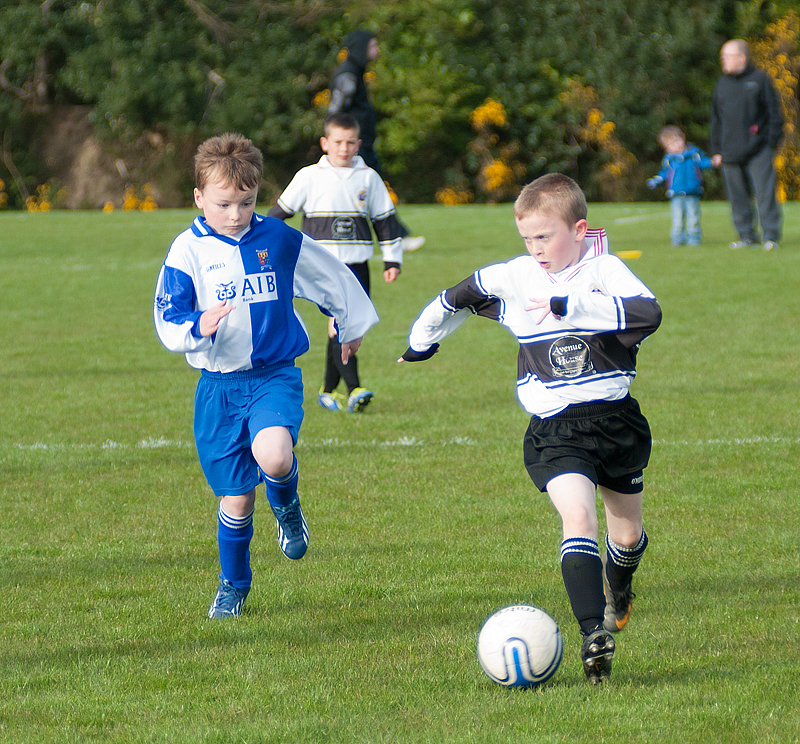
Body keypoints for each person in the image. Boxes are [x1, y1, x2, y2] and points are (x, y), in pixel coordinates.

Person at [398, 174, 662, 683]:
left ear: (579, 229)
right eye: (527, 239)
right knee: (578, 519)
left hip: (616, 423)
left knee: (626, 536)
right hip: (555, 431)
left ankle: (620, 587)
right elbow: (455, 296)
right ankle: (593, 634)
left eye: (545, 237)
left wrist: (571, 305)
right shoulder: (516, 277)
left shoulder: (605, 268)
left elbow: (648, 313)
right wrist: (423, 339)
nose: (535, 249)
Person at [153, 132, 379, 619]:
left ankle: (289, 508)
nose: (235, 215)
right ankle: (234, 584)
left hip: (274, 375)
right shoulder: (186, 251)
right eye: (223, 204)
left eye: (247, 202)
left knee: (274, 456)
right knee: (236, 498)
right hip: (218, 387)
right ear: (198, 198)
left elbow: (331, 275)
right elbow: (168, 318)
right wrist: (197, 324)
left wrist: (350, 323)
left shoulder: (277, 239)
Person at [269, 112, 400, 413]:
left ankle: (328, 391)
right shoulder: (308, 176)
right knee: (340, 324)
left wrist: (392, 259)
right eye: (338, 142)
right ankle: (355, 389)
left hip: (357, 266)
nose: (344, 148)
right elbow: (280, 213)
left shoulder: (369, 178)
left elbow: (385, 221)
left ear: (359, 144)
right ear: (325, 143)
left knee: (351, 326)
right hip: (321, 266)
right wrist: (256, 237)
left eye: (350, 142)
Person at [329, 29, 425, 253]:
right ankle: (397, 238)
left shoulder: (356, 73)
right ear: (362, 48)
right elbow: (335, 114)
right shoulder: (348, 77)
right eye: (373, 45)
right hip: (354, 149)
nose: (377, 50)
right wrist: (343, 144)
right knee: (376, 190)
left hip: (360, 146)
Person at [710, 39, 784, 251]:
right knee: (737, 198)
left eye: (727, 56)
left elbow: (775, 115)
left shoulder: (760, 80)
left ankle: (770, 235)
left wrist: (770, 143)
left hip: (758, 150)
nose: (723, 60)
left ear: (741, 58)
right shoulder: (721, 84)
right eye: (722, 56)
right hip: (729, 153)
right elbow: (715, 119)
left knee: (765, 195)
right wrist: (716, 150)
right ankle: (746, 236)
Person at [647, 125, 714, 246]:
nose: (676, 145)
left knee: (693, 217)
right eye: (671, 144)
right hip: (676, 194)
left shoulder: (694, 155)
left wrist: (712, 162)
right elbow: (665, 173)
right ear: (666, 147)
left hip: (692, 192)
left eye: (677, 141)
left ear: (683, 138)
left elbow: (703, 162)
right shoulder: (669, 160)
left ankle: (694, 238)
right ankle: (678, 239)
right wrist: (656, 180)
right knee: (677, 219)